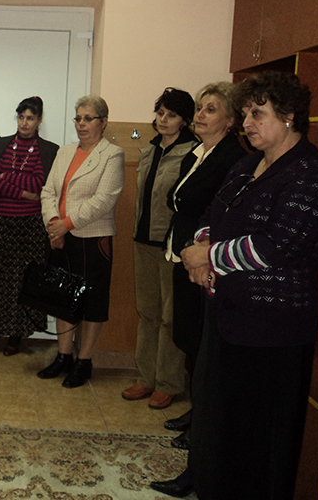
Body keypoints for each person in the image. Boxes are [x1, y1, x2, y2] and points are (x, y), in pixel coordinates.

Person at [152, 72, 318, 499]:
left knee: (255, 432)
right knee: (216, 412)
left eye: (258, 114)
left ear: (289, 116)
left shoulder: (312, 173)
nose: (247, 123)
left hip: (272, 326)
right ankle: (206, 480)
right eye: (245, 114)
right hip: (225, 313)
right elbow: (212, 214)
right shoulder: (246, 165)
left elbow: (278, 246)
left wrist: (208, 257)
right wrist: (201, 247)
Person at [161, 82, 248, 448]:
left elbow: (201, 206)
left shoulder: (233, 158)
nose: (200, 115)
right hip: (184, 253)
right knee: (188, 337)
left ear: (230, 120)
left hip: (206, 262)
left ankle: (204, 420)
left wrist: (201, 251)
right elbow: (177, 198)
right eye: (200, 107)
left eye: (211, 109)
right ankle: (197, 410)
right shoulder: (196, 153)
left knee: (203, 343)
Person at [38, 95, 124, 388]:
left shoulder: (112, 154)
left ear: (104, 122)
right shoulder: (64, 152)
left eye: (89, 118)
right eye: (78, 118)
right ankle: (64, 356)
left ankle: (84, 361)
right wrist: (54, 224)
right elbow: (48, 192)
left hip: (92, 239)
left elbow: (104, 200)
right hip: (59, 236)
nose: (82, 124)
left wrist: (65, 225)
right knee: (62, 298)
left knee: (91, 303)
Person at [122, 87, 196, 409]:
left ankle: (168, 383)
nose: (163, 119)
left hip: (172, 245)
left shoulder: (193, 153)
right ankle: (145, 378)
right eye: (160, 113)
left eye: (172, 115)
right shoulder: (149, 149)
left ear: (185, 120)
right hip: (143, 241)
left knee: (170, 318)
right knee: (148, 313)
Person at [0, 96, 59, 356]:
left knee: (24, 281)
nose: (24, 123)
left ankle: (16, 337)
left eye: (30, 118)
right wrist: (23, 193)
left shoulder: (48, 150)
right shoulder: (2, 145)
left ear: (39, 120)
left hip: (31, 228)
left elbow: (40, 183)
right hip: (1, 223)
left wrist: (8, 177)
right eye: (21, 117)